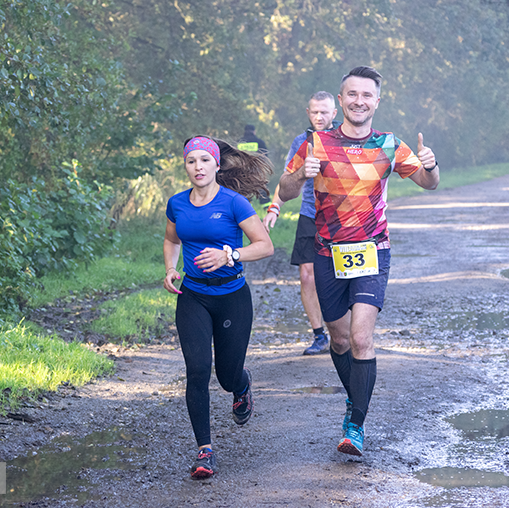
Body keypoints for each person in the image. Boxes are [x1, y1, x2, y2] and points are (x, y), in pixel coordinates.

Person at [278, 66, 439, 457]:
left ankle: (355, 424)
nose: (359, 101)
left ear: (377, 101)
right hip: (327, 253)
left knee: (363, 338)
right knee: (340, 339)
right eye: (352, 94)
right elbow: (282, 192)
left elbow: (428, 184)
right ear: (341, 98)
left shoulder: (389, 145)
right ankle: (357, 400)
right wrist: (301, 174)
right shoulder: (314, 143)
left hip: (372, 250)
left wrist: (430, 164)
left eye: (367, 95)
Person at [163, 136, 274, 479]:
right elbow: (171, 239)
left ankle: (241, 386)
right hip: (193, 296)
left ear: (216, 165)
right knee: (197, 370)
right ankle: (204, 451)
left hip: (231, 297)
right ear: (186, 166)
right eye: (191, 161)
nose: (198, 167)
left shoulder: (234, 203)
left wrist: (230, 254)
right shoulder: (177, 204)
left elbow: (265, 246)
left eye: (204, 161)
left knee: (226, 376)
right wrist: (170, 267)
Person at [263, 91, 340, 356]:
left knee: (339, 276)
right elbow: (286, 180)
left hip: (342, 218)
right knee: (307, 276)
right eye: (314, 112)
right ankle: (319, 336)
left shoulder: (346, 138)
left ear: (334, 113)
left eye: (324, 112)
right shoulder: (301, 141)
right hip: (310, 216)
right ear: (308, 113)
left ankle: (344, 332)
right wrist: (275, 206)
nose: (319, 117)